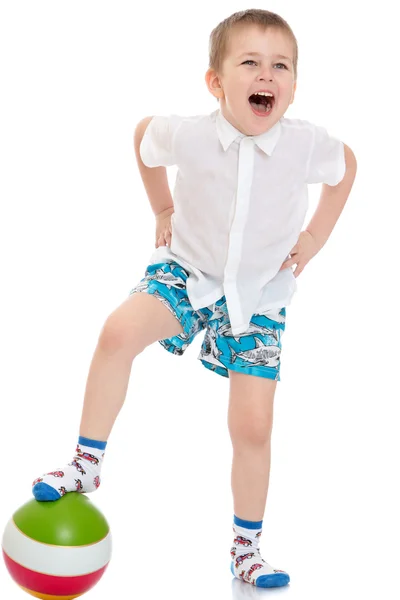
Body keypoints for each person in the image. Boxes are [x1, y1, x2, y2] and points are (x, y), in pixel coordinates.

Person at [30, 8, 357, 588]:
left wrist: (314, 238)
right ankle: (86, 462)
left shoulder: (305, 144)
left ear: (293, 86)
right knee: (116, 332)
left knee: (253, 427)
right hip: (188, 273)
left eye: (280, 65)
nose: (267, 74)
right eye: (250, 62)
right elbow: (142, 137)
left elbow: (347, 165)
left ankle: (246, 548)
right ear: (216, 81)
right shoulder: (191, 134)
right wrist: (161, 207)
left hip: (259, 298)